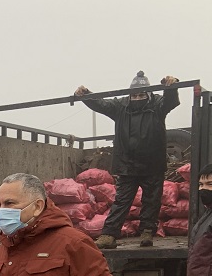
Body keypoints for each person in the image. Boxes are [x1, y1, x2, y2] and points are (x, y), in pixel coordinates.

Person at [75, 71, 180, 249]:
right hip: (127, 164)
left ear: (148, 94)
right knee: (122, 201)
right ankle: (109, 234)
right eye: (134, 94)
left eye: (141, 94)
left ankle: (147, 232)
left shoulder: (157, 106)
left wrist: (171, 86)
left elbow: (171, 101)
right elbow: (101, 104)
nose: (137, 98)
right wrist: (86, 95)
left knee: (151, 200)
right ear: (130, 94)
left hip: (152, 163)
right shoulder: (120, 106)